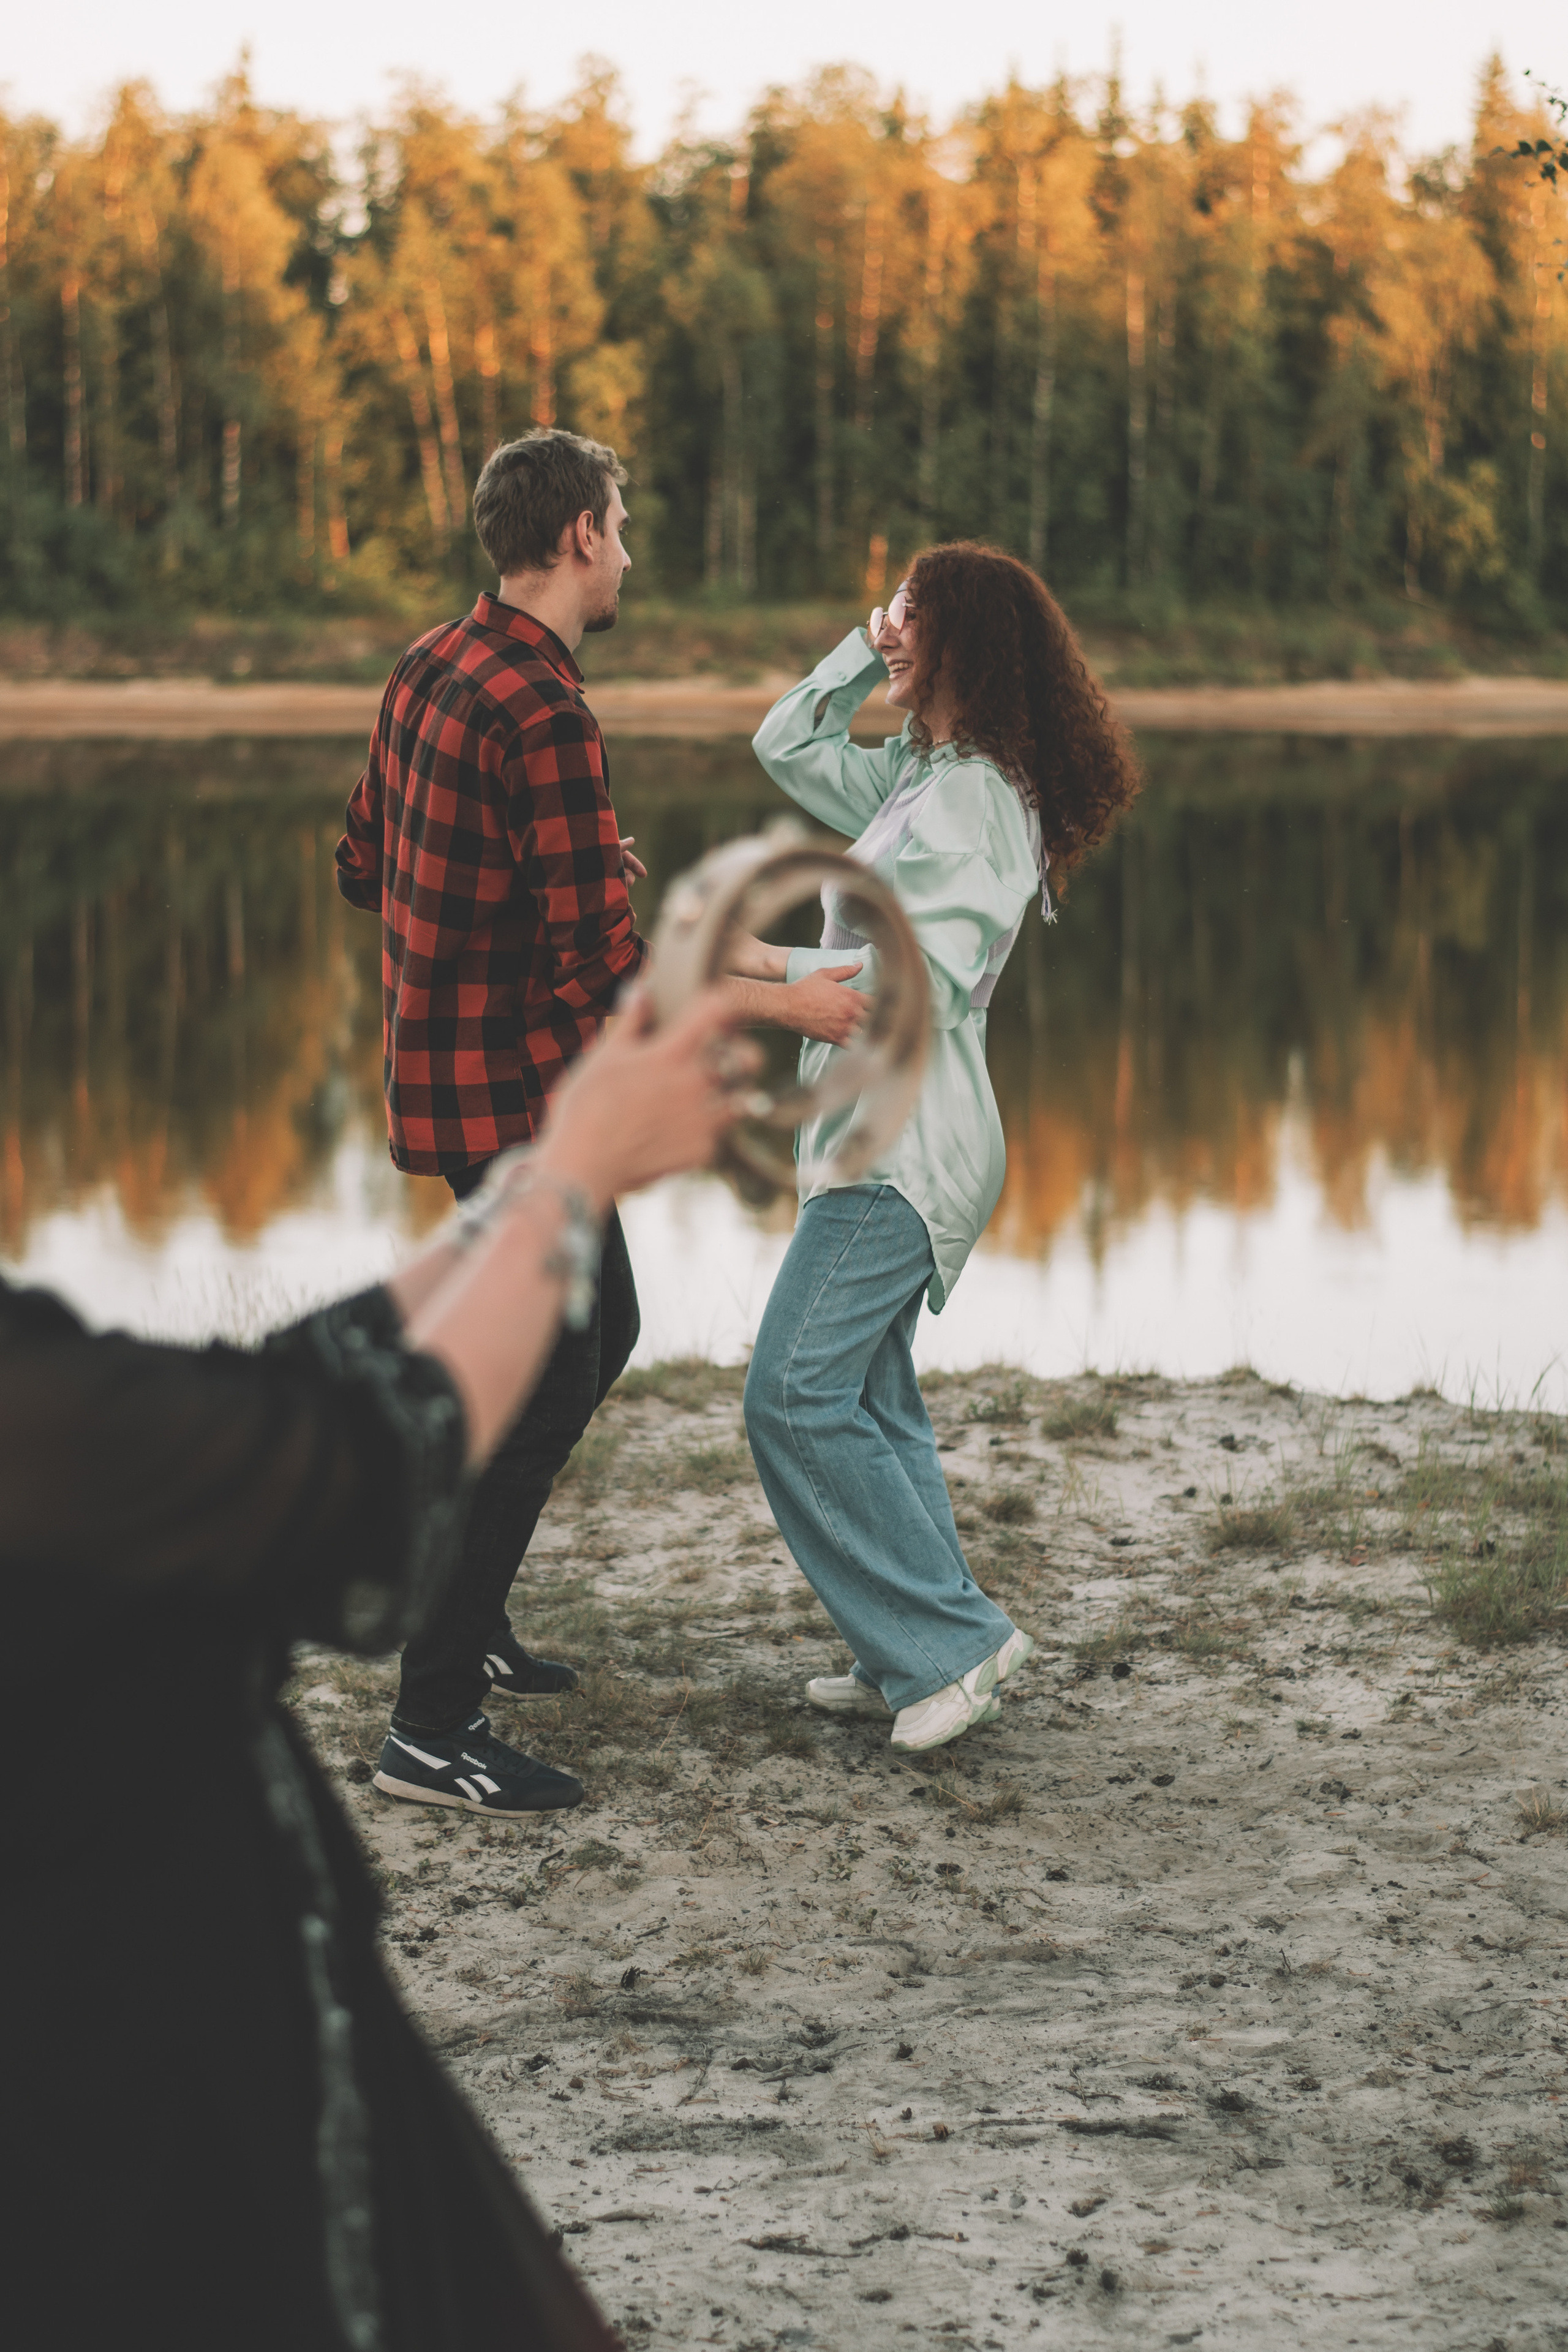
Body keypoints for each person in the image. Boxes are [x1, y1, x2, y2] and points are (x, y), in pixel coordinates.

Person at [7, 986, 752, 2352]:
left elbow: (253, 1402)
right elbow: (356, 1473)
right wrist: (573, 1176)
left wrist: (524, 1198)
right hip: (145, 2135)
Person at [334, 428, 853, 1815]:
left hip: (453, 1086)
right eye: (619, 527)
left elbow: (362, 865)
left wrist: (547, 868)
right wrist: (782, 1005)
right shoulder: (548, 713)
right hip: (521, 1101)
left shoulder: (430, 661)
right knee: (547, 1378)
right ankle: (428, 1731)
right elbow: (610, 974)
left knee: (598, 1329)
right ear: (576, 536)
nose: (628, 551)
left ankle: (469, 1622)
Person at [736, 543, 1140, 1754]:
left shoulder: (976, 803)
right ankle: (900, 1648)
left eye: (912, 613)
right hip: (868, 1131)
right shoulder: (924, 774)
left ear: (968, 639)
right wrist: (862, 655)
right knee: (869, 1399)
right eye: (894, 612)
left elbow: (922, 977)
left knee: (790, 1394)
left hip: (908, 1144)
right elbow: (784, 744)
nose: (894, 626)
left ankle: (952, 1645)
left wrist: (765, 968)